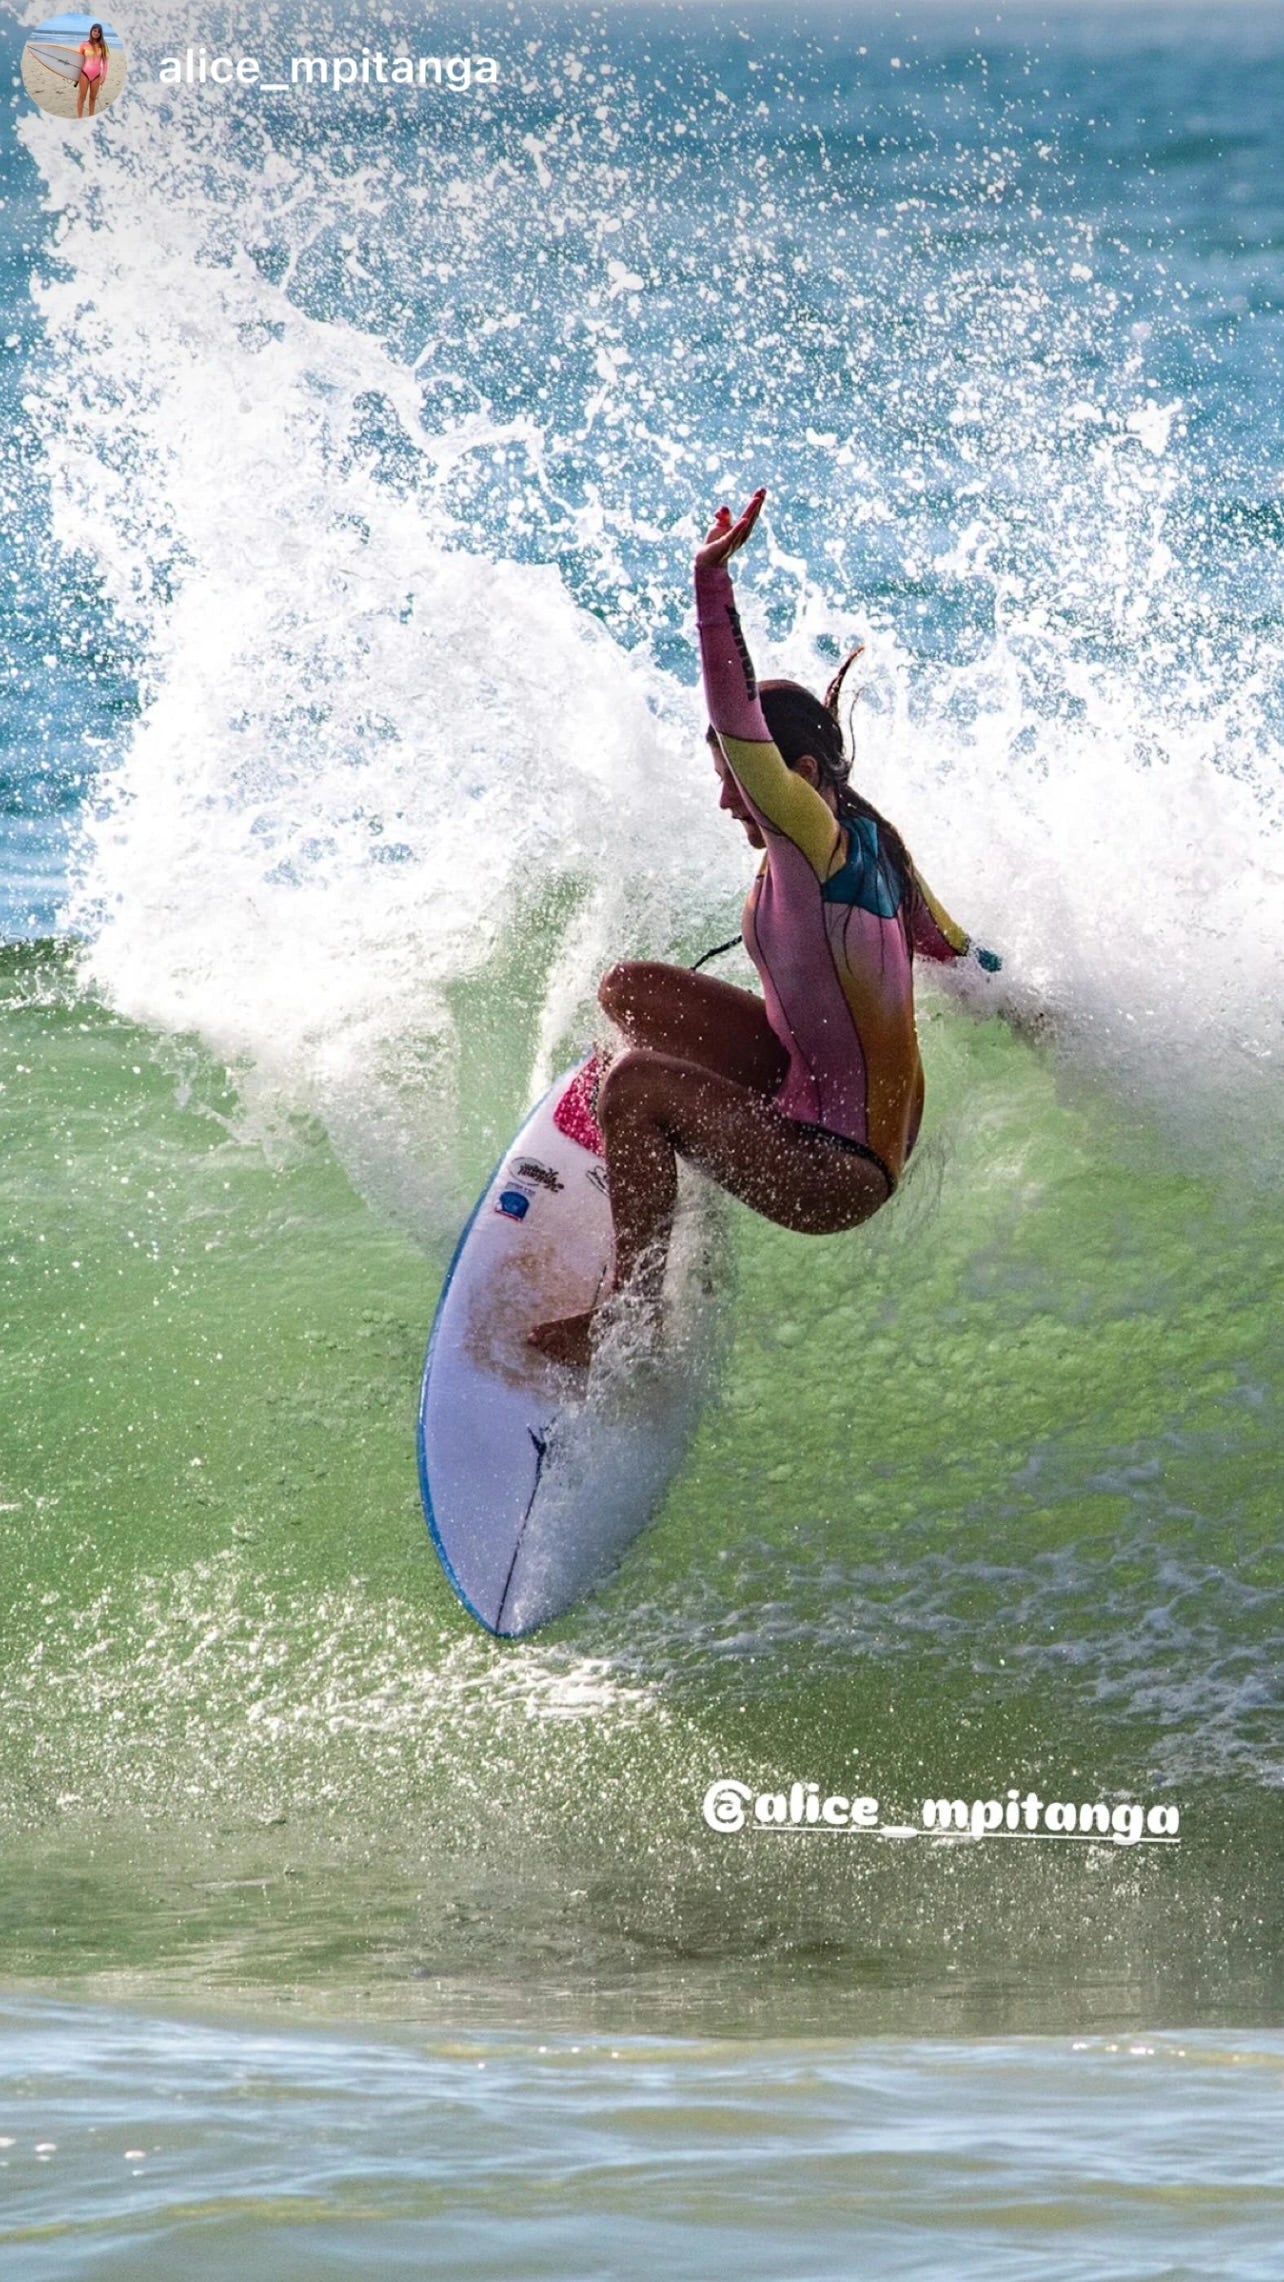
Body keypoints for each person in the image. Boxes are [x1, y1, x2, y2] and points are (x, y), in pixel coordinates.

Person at [530, 486, 998, 1369]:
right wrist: (1053, 1012)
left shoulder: (815, 841)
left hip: (837, 1168)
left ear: (802, 776)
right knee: (627, 991)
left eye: (737, 783)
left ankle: (628, 1330)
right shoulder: (873, 842)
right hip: (808, 1089)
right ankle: (658, 1170)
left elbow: (738, 720)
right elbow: (964, 954)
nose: (724, 798)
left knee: (633, 1086)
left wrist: (712, 585)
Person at [76, 23, 109, 117]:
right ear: (91, 31)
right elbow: (78, 59)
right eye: (94, 30)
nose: (96, 33)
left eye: (98, 32)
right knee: (82, 98)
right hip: (84, 74)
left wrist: (103, 76)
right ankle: (80, 117)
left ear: (100, 34)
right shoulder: (84, 44)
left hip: (96, 76)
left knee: (92, 98)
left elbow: (105, 63)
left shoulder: (103, 46)